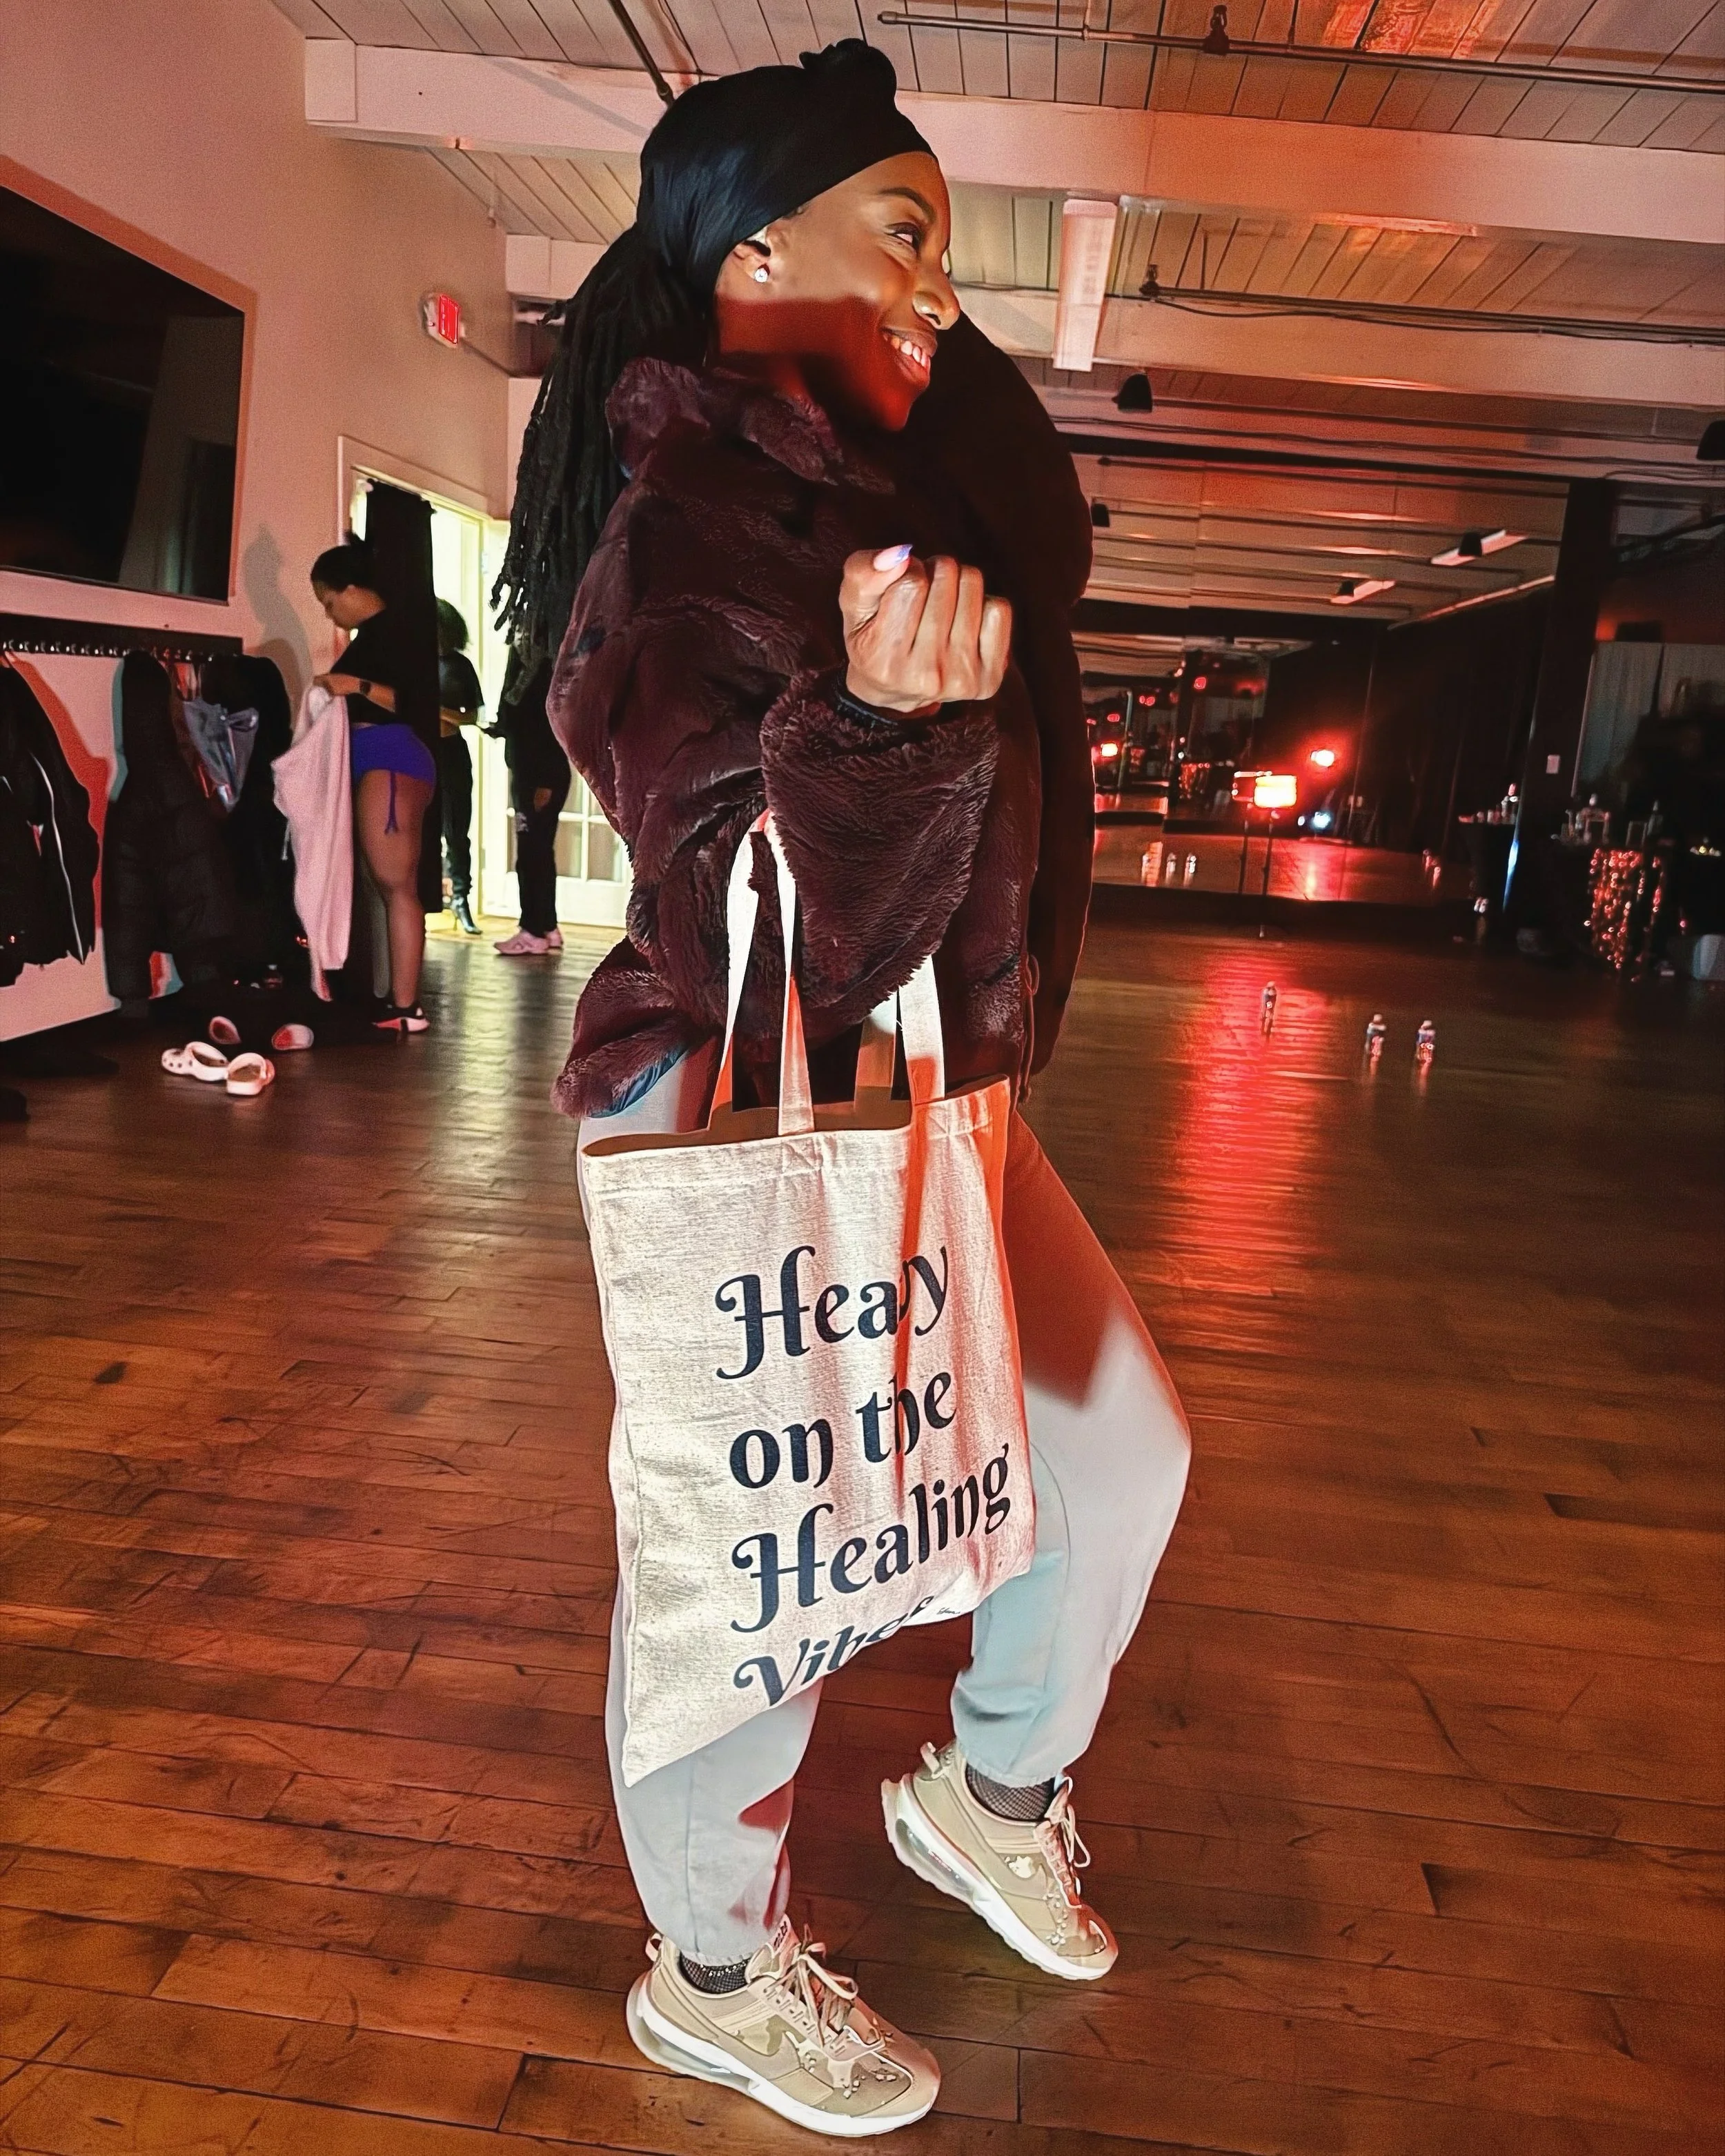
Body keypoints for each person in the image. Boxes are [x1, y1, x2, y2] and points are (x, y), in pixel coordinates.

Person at [496, 43, 1190, 2139]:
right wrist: (888, 742)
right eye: (904, 237)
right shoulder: (679, 541)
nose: (937, 293)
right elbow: (752, 931)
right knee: (756, 1574)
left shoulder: (895, 504)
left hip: (924, 1106)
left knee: (1118, 1449)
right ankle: (708, 1965)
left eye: (951, 260)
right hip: (730, 1110)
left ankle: (989, 1793)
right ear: (755, 251)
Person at [310, 542, 433, 1031]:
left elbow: (411, 699)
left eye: (328, 600)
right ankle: (395, 1000)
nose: (330, 613)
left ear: (352, 589)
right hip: (384, 761)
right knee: (386, 884)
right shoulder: (377, 635)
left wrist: (351, 686)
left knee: (396, 883)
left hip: (391, 758)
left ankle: (405, 1007)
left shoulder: (396, 630)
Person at [489, 651, 570, 957]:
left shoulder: (542, 668)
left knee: (531, 853)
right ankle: (547, 926)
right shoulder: (535, 665)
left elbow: (549, 724)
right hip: (533, 771)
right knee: (539, 852)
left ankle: (533, 930)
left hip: (539, 775)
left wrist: (546, 781)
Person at [435, 599, 484, 936]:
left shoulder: (460, 666)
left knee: (456, 830)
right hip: (421, 751)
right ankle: (432, 895)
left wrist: (438, 711)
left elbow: (473, 715)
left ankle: (461, 899)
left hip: (452, 751)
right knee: (424, 828)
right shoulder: (414, 663)